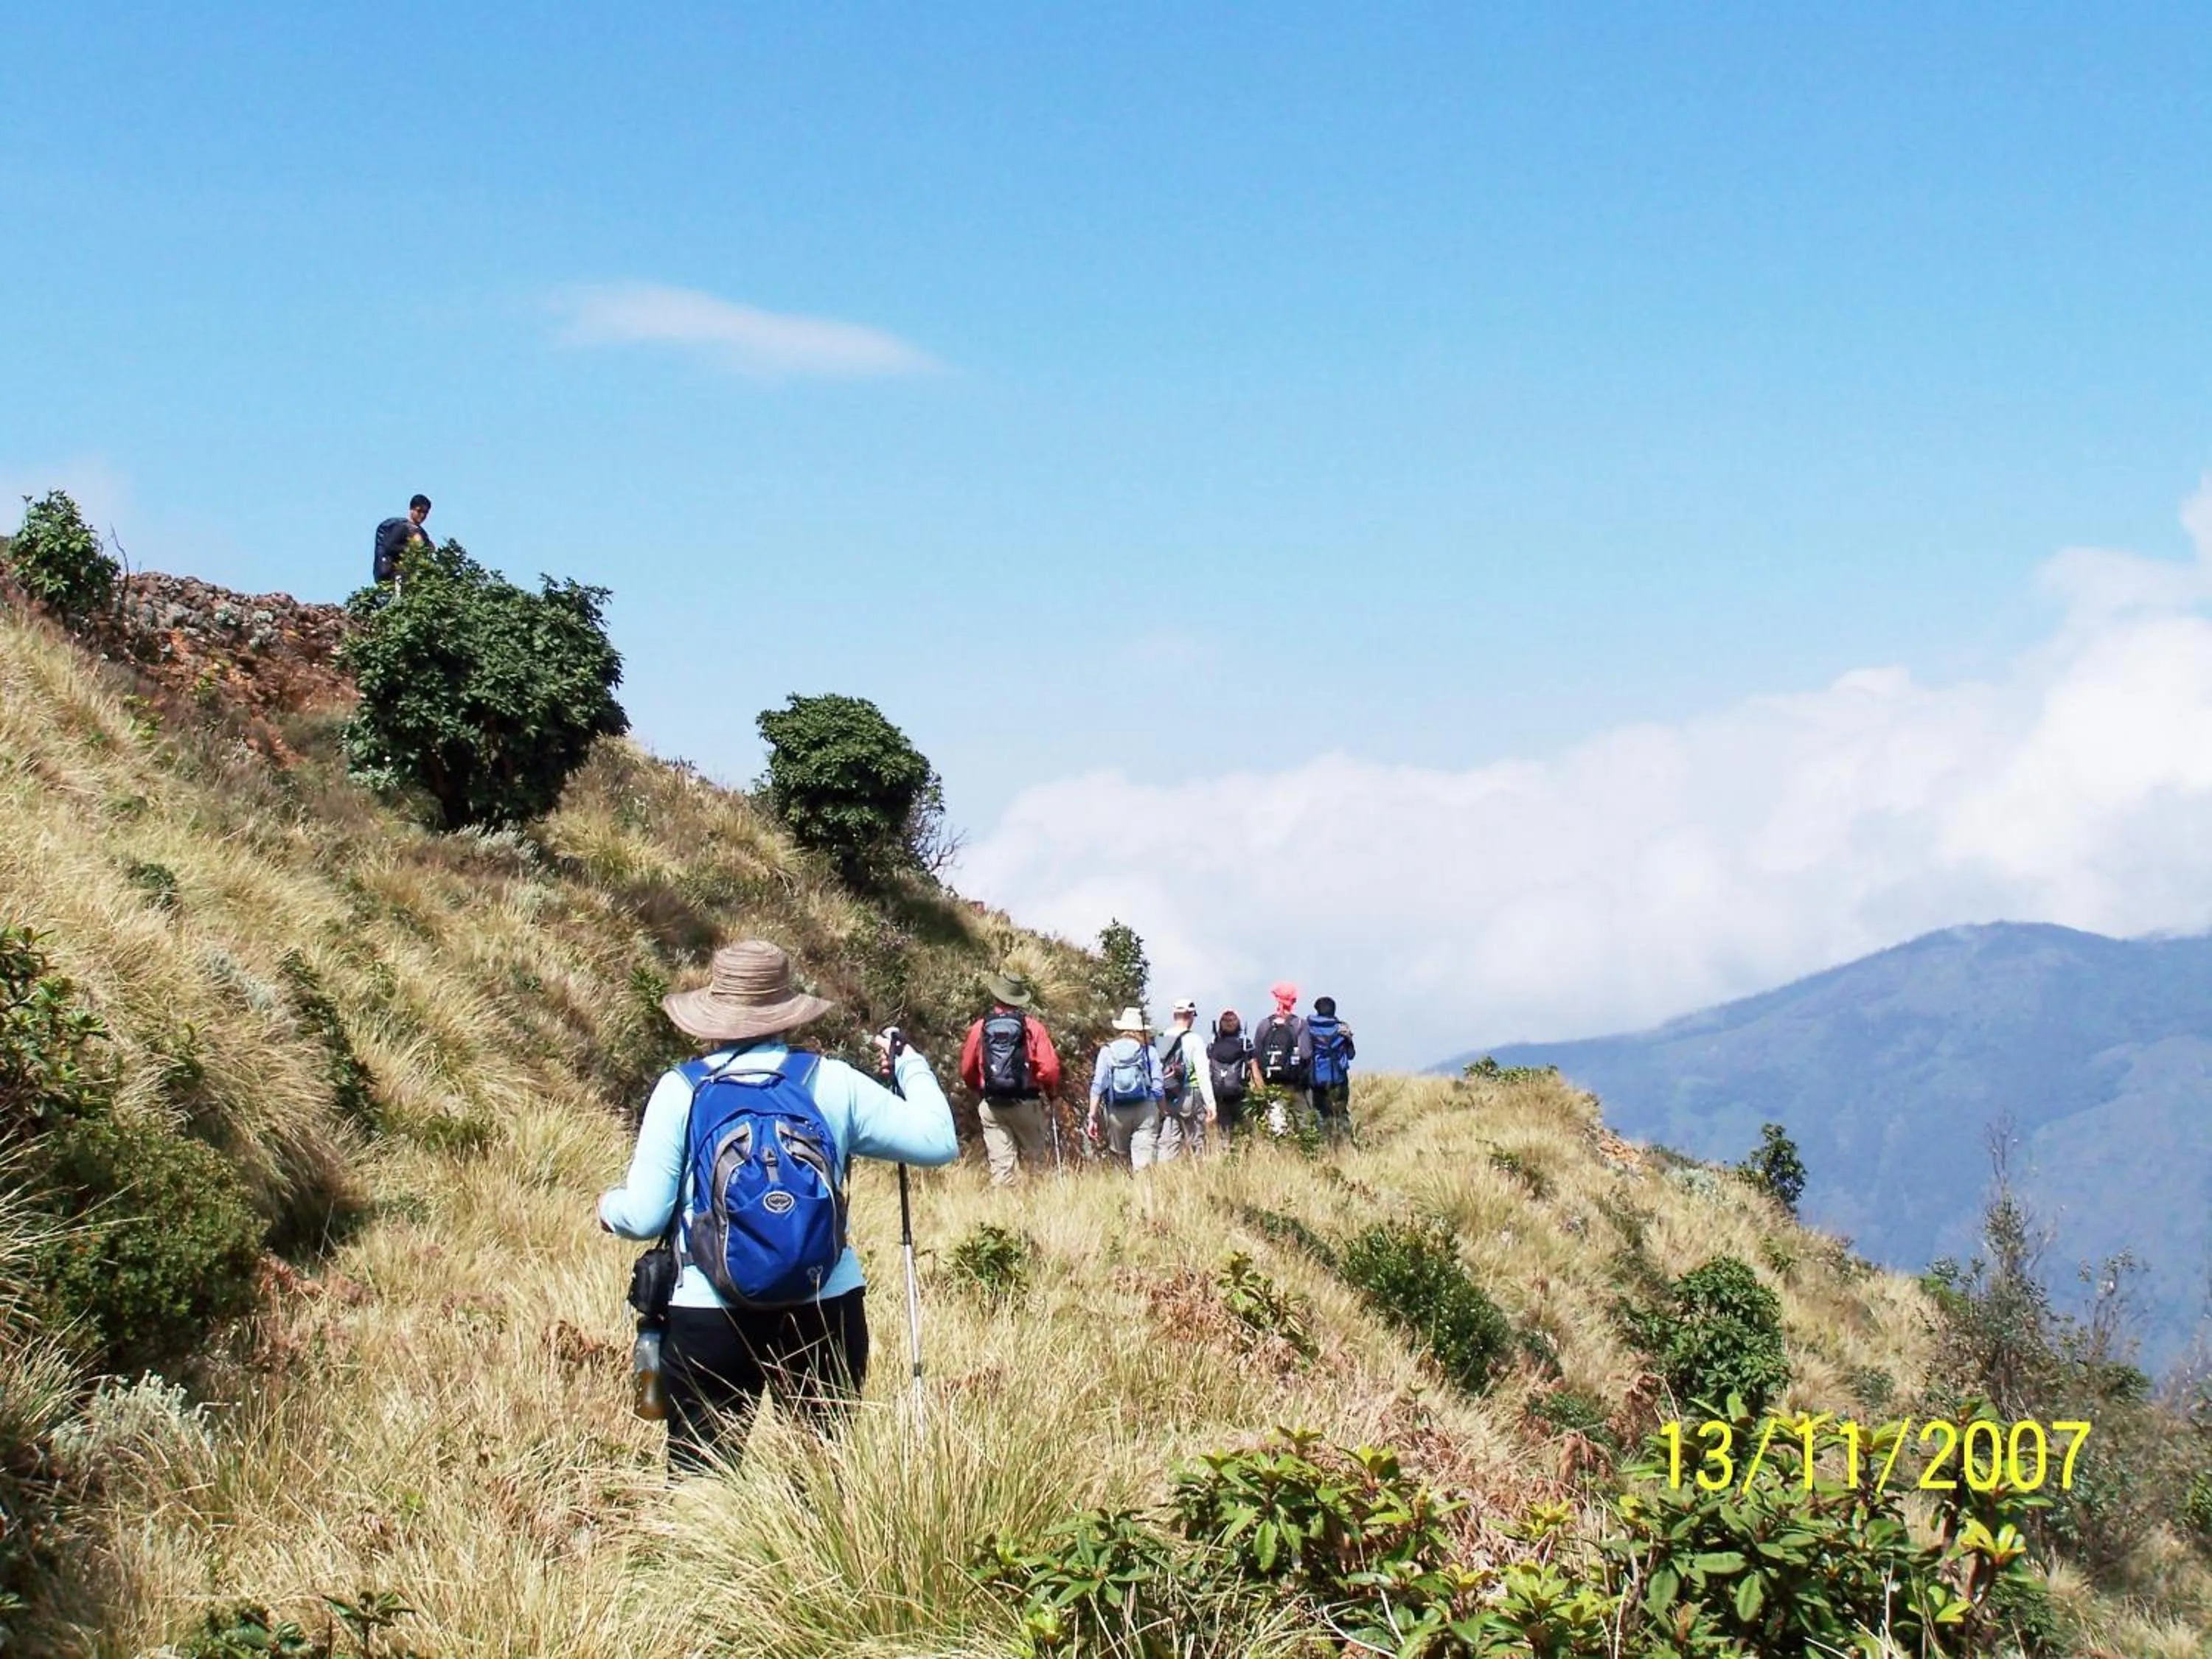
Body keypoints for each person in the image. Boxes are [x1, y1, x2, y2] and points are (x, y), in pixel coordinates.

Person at [598, 939, 956, 1473]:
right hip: (824, 1301)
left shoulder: (682, 1089)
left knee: (702, 1478)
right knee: (819, 1473)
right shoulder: (830, 1080)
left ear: (715, 1013)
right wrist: (912, 1068)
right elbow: (937, 1142)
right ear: (786, 1010)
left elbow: (645, 1214)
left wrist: (609, 1208)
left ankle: (705, 1558)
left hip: (708, 1306)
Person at [958, 971, 1065, 1185]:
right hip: (1027, 1102)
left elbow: (967, 1069)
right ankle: (1038, 1207)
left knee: (1001, 1167)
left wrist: (979, 1088)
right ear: (1018, 1000)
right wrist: (1050, 1091)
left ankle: (1004, 1212)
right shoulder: (1032, 1028)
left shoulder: (980, 1028)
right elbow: (1050, 1068)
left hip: (992, 1103)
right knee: (1036, 1162)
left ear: (996, 996)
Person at [1088, 1006, 1164, 1172]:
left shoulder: (1107, 1051)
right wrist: (1162, 1110)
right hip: (1145, 1109)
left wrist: (1092, 1115)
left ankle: (1125, 1193)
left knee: (1120, 1159)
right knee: (1144, 1163)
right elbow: (1157, 1086)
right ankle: (1144, 1194)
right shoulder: (1149, 1051)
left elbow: (1098, 1085)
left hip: (1116, 1111)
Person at [1154, 998, 1215, 1161]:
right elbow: (1203, 1073)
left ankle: (1164, 1175)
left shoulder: (1161, 1038)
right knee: (1196, 1139)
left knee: (1169, 1139)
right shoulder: (1195, 1039)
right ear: (1191, 1016)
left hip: (1168, 1095)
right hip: (1191, 1093)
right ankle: (1197, 1173)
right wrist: (1211, 1103)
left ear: (1174, 1015)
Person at [1248, 981, 1312, 1135]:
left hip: (1272, 1082)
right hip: (1295, 1083)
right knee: (1304, 1121)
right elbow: (1306, 1054)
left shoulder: (1264, 1024)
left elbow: (1256, 1054)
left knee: (1277, 1122)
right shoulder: (1299, 1024)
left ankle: (1279, 1153)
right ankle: (1307, 1151)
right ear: (1294, 1000)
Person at [1307, 995, 1357, 1143]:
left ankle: (1324, 1146)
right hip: (1339, 1079)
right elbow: (1351, 1055)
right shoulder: (1342, 1029)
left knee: (1320, 1116)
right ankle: (1346, 1144)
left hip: (1317, 1080)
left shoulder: (1309, 1029)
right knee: (1341, 1114)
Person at [1206, 1009, 1254, 1139]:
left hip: (1219, 1094)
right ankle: (1244, 1156)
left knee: (1224, 1132)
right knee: (1245, 1132)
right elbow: (1253, 1067)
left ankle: (1224, 1155)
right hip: (1240, 1094)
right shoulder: (1245, 1045)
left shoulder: (1213, 1046)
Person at [372, 493, 432, 585]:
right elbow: (389, 546)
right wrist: (412, 547)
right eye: (419, 511)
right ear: (411, 509)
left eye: (425, 512)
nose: (422, 515)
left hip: (412, 575)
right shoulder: (402, 527)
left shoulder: (421, 532)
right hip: (394, 574)